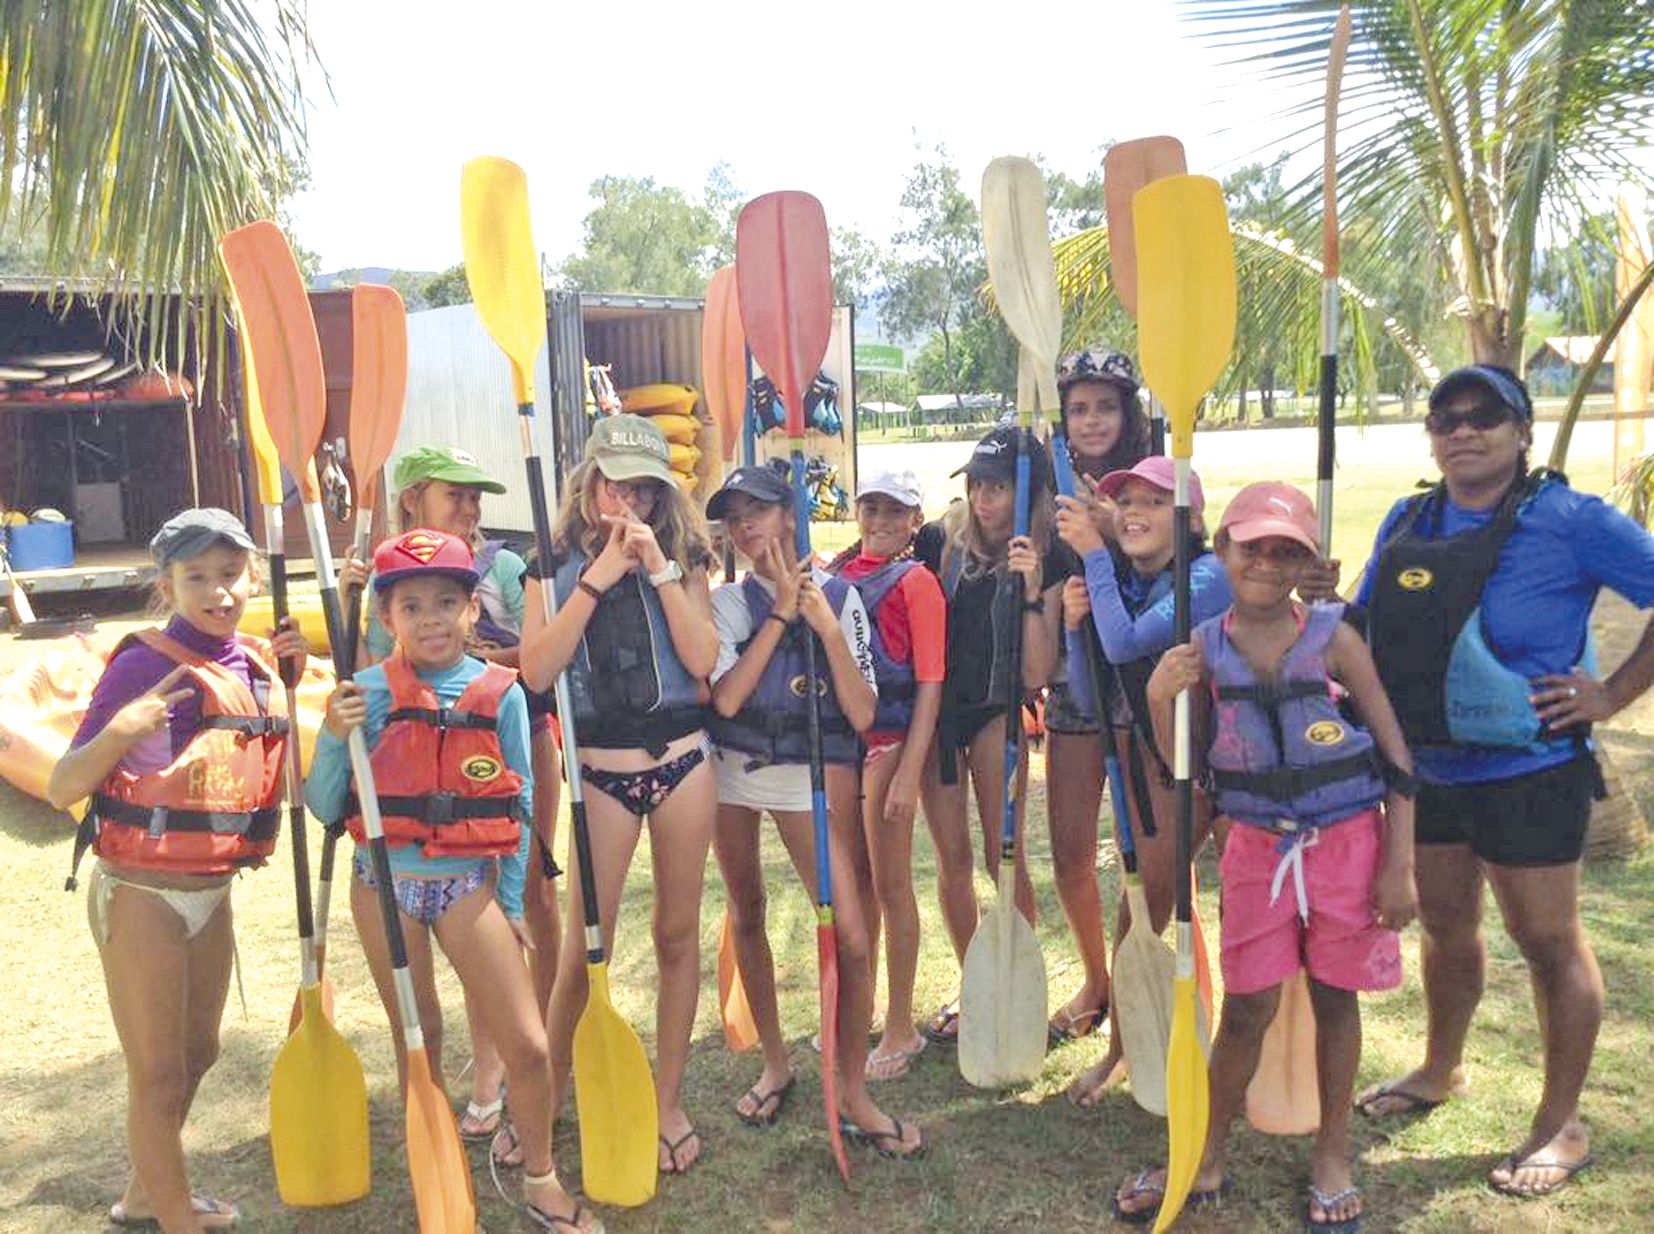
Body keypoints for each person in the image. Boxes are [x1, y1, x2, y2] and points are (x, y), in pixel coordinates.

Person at [1306, 365, 1654, 1198]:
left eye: (1484, 416)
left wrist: (1611, 693)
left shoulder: (1571, 519)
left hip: (1530, 768)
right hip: (1430, 770)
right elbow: (1366, 628)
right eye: (1445, 418)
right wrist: (1325, 599)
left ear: (1522, 431)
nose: (1462, 430)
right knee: (1445, 929)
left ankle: (1559, 1124)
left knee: (1546, 943)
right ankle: (1439, 1069)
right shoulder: (1410, 515)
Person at [1112, 482, 1418, 1233]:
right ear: (1222, 551)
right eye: (1253, 547)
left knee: (1334, 998)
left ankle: (1333, 1155)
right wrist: (1158, 698)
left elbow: (1396, 755)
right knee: (1248, 1006)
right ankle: (1207, 1153)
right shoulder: (1200, 650)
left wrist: (1399, 861)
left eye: (1287, 551)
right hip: (1254, 845)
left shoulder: (1336, 638)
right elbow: (1177, 769)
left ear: (1306, 562)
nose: (1268, 562)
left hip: (1346, 840)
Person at [308, 529, 596, 1232]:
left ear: (473, 609)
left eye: (446, 601)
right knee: (422, 1034)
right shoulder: (364, 694)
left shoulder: (501, 694)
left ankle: (540, 1177)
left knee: (526, 1042)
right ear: (387, 618)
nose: (431, 618)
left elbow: (519, 803)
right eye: (412, 606)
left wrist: (509, 903)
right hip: (383, 884)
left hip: (465, 881)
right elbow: (322, 803)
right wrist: (329, 733)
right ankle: (434, 1162)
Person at [49, 508, 305, 1233]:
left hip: (211, 891)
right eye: (198, 577)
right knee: (158, 1074)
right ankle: (174, 1219)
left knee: (199, 1051)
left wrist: (287, 677)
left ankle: (140, 1196)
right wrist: (123, 730)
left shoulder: (251, 662)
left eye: (231, 575)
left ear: (253, 576)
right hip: (143, 896)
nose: (218, 592)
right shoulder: (141, 662)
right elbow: (64, 785)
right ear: (168, 583)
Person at [341, 443, 560, 1149]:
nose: (469, 510)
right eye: (454, 496)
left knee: (511, 905)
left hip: (503, 740)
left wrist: (472, 668)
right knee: (429, 988)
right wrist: (349, 610)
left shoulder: (498, 566)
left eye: (475, 499)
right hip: (408, 796)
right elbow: (369, 684)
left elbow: (524, 659)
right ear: (413, 502)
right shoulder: (375, 579)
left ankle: (493, 1080)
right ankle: (444, 1105)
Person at [519, 414, 719, 1176]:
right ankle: (550, 1096)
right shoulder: (552, 561)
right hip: (600, 769)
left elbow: (701, 656)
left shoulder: (687, 554)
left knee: (676, 933)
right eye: (613, 482)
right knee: (583, 949)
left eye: (642, 486)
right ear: (588, 478)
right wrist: (596, 580)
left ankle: (668, 1101)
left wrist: (661, 570)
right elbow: (538, 672)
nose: (625, 498)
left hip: (682, 762)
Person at [707, 462, 925, 1158]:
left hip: (805, 777)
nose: (746, 528)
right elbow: (730, 700)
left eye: (759, 512)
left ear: (789, 514)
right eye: (734, 518)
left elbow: (862, 712)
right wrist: (779, 612)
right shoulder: (727, 604)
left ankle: (854, 1089)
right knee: (747, 909)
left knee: (854, 936)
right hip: (734, 773)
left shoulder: (841, 594)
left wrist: (827, 627)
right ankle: (776, 1063)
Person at [1056, 456, 1232, 1105]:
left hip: (1238, 771)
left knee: (1246, 919)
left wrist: (1093, 555)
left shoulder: (1206, 577)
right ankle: (1123, 1053)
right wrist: (1076, 631)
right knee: (1140, 912)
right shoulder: (1129, 581)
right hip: (1166, 763)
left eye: (1155, 502)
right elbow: (1092, 688)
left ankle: (1242, 1059)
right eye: (1124, 501)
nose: (1134, 512)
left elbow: (1129, 644)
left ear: (1190, 517)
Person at [917, 426, 1062, 1046]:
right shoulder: (938, 541)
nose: (983, 499)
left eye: (998, 487)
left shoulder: (1048, 558)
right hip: (939, 715)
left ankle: (1020, 980)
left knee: (1004, 857)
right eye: (977, 484)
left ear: (1026, 494)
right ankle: (973, 981)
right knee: (952, 860)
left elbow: (1036, 671)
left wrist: (1030, 590)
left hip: (998, 709)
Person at [1042, 349, 1154, 1042]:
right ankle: (1098, 979)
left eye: (1105, 406)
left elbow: (1186, 554)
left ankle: (1136, 974)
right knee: (1069, 852)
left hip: (1142, 680)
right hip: (1075, 680)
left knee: (1145, 849)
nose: (1091, 420)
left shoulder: (1153, 480)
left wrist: (1111, 525)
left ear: (1128, 413)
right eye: (1079, 408)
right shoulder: (1046, 482)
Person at [825, 469, 947, 1080]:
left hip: (890, 745)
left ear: (914, 521)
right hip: (842, 748)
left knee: (892, 886)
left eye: (894, 511)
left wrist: (908, 774)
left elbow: (929, 684)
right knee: (854, 886)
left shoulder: (917, 582)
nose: (880, 520)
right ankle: (859, 1015)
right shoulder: (835, 574)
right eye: (870, 507)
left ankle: (902, 1027)